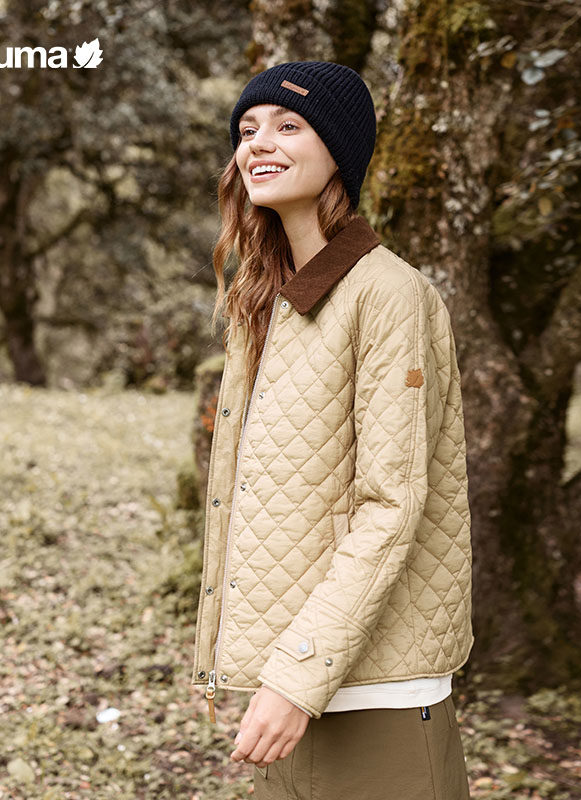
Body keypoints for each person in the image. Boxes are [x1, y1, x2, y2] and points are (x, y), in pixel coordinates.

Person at [191, 60, 474, 799]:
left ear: (338, 151)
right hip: (293, 687)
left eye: (288, 126)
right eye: (247, 130)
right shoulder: (265, 299)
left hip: (370, 697)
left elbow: (391, 506)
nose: (259, 143)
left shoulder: (388, 294)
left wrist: (295, 678)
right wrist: (279, 674)